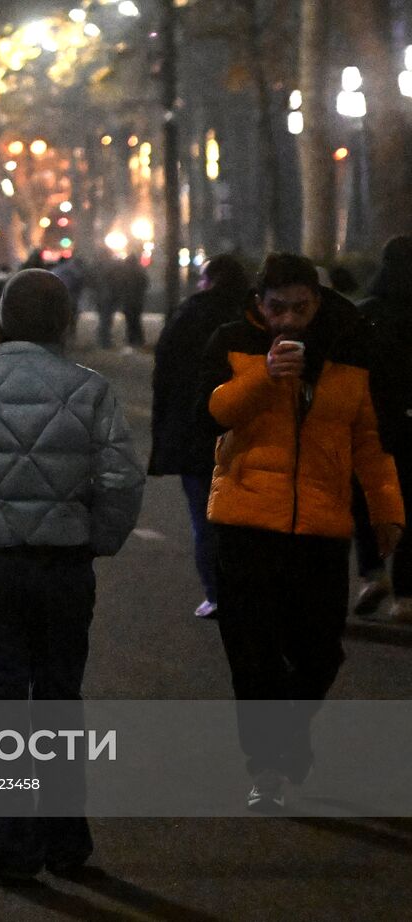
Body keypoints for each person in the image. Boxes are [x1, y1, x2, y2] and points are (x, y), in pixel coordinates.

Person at [0, 269, 144, 882]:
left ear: (3, 320)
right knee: (60, 700)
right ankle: (66, 840)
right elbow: (121, 478)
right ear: (64, 322)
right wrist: (99, 538)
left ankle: (16, 844)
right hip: (64, 565)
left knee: (1, 708)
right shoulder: (90, 390)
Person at [198, 252, 404, 812]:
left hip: (320, 524)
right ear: (259, 305)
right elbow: (211, 412)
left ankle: (289, 730)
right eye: (277, 308)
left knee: (319, 653)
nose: (289, 319)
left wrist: (386, 510)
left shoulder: (348, 345)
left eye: (300, 307)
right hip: (245, 521)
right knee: (253, 655)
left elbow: (370, 440)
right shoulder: (232, 342)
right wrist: (264, 377)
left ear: (316, 302)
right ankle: (266, 766)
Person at [149, 254, 251, 618]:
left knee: (205, 517)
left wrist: (165, 432)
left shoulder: (188, 316)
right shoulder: (251, 317)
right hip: (246, 433)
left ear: (210, 281)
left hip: (194, 433)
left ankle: (217, 594)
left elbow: (164, 375)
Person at [351, 235, 412, 621]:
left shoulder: (366, 314)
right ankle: (406, 596)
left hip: (370, 424)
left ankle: (373, 574)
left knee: (366, 501)